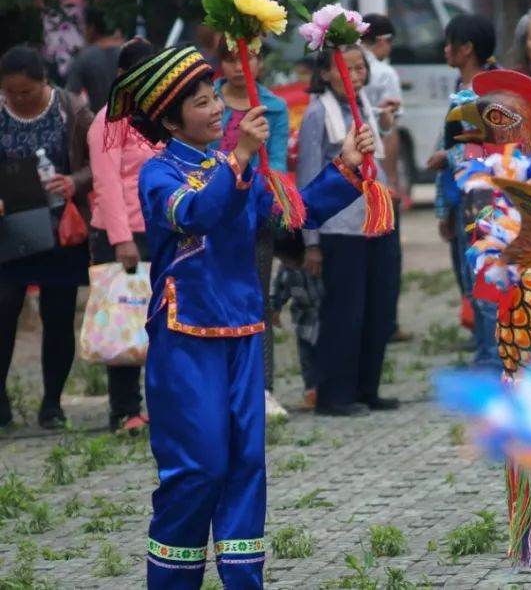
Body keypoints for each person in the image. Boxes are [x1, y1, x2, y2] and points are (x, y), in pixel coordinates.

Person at [108, 45, 375, 588]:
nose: (215, 111)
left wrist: (345, 163)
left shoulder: (233, 167)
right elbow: (200, 215)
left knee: (246, 464)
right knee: (199, 467)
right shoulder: (160, 174)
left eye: (215, 101)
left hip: (244, 330)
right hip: (187, 336)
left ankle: (242, 580)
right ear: (168, 118)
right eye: (202, 103)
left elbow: (291, 212)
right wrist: (241, 158)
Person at [298, 47, 400, 417]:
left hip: (379, 219)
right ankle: (334, 393)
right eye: (345, 68)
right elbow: (309, 174)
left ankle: (366, 387)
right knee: (345, 312)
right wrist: (311, 241)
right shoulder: (317, 113)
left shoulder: (365, 106)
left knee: (380, 308)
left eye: (360, 67)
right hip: (340, 226)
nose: (354, 75)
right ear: (325, 73)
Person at [0, 45, 92, 429]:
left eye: (26, 92)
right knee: (4, 310)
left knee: (57, 315)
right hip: (9, 230)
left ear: (44, 82)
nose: (18, 99)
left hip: (61, 230)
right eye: (10, 93)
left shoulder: (71, 111)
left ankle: (52, 403)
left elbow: (98, 164)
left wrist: (73, 181)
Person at [211, 37, 290, 420]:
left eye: (249, 57)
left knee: (257, 300)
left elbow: (275, 164)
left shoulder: (273, 107)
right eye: (230, 60)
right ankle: (218, 387)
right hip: (210, 211)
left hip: (255, 214)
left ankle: (263, 387)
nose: (239, 66)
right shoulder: (208, 102)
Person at [87, 36, 158, 434]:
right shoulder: (107, 120)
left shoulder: (157, 118)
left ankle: (157, 403)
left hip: (157, 230)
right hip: (122, 235)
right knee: (124, 320)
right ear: (120, 75)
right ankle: (124, 409)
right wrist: (121, 238)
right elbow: (107, 183)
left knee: (156, 322)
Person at [427, 14, 498, 360]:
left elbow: (479, 152)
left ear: (466, 48)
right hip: (461, 201)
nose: (445, 50)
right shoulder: (467, 90)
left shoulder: (480, 95)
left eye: (449, 42)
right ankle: (486, 353)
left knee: (481, 284)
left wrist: (447, 155)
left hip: (478, 202)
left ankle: (492, 358)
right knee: (472, 285)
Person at [360, 13, 411, 344]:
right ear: (381, 41)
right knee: (386, 256)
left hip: (349, 175)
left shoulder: (346, 69)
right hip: (376, 173)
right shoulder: (384, 73)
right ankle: (386, 323)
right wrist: (392, 179)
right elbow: (390, 133)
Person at [268, 231, 322, 410]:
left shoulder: (315, 266)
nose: (285, 263)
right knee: (307, 360)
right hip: (304, 322)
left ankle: (327, 389)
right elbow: (278, 289)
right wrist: (275, 308)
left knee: (326, 357)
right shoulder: (286, 271)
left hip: (323, 320)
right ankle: (311, 392)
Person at [66, 7, 125, 113]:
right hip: (131, 124)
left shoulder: (83, 58)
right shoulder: (129, 52)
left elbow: (70, 98)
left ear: (92, 28)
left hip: (98, 121)